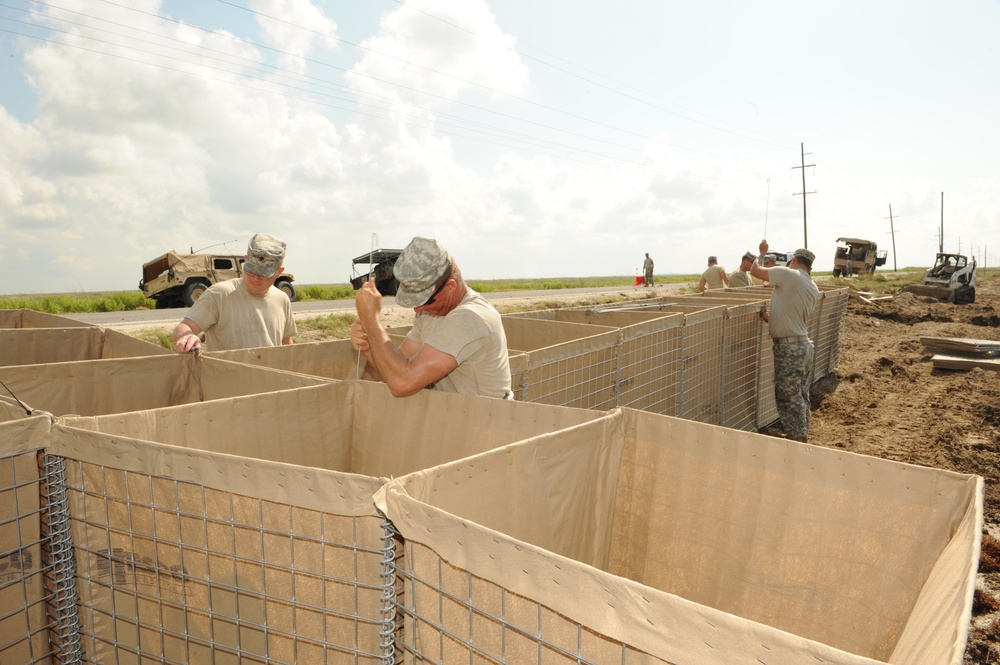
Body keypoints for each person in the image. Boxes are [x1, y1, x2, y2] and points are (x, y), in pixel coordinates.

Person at [350, 236, 512, 399]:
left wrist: (372, 321)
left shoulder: (471, 317)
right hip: (454, 415)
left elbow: (403, 383)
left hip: (484, 420)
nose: (417, 308)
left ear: (450, 287)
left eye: (424, 300)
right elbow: (396, 371)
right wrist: (369, 346)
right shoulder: (430, 311)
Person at [171, 233, 297, 353]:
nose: (255, 278)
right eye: (250, 271)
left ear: (279, 272)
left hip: (267, 375)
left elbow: (286, 342)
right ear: (245, 260)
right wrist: (187, 337)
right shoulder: (219, 294)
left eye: (263, 275)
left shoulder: (282, 299)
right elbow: (183, 328)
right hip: (229, 374)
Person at [749, 242, 820, 442]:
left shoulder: (789, 274)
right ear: (810, 267)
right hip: (802, 345)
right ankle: (802, 427)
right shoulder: (811, 285)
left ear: (794, 261)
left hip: (789, 348)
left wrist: (761, 253)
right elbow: (792, 316)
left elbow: (755, 270)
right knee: (800, 391)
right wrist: (770, 318)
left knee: (788, 394)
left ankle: (796, 436)